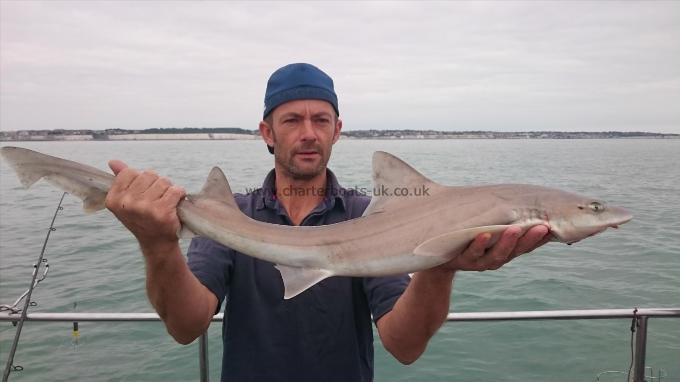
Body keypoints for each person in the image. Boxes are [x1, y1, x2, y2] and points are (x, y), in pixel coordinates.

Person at [105, 63, 550, 381]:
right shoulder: (232, 216)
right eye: (292, 120)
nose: (308, 133)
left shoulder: (369, 217)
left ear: (337, 130)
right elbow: (186, 327)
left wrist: (441, 264)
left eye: (321, 120)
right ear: (267, 132)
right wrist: (157, 245)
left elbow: (405, 345)